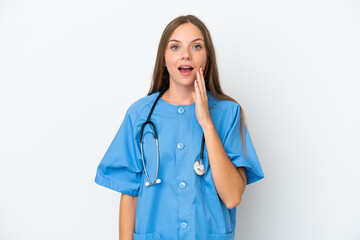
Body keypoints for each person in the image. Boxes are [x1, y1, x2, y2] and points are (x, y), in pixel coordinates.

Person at [94, 14, 264, 240]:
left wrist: (206, 123)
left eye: (196, 46)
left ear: (207, 58)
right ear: (163, 59)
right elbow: (130, 193)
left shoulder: (227, 114)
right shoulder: (140, 115)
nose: (186, 54)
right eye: (175, 47)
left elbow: (233, 197)